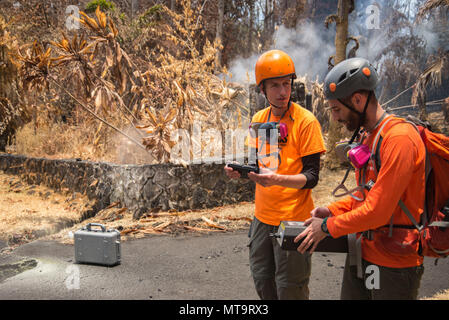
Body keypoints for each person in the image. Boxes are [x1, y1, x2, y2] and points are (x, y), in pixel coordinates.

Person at [295, 57, 426, 300]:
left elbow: (378, 211)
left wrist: (326, 227)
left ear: (357, 99)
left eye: (336, 109)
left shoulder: (399, 139)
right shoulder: (370, 136)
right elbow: (366, 195)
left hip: (394, 265)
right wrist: (332, 211)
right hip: (363, 252)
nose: (334, 118)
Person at [224, 49, 326, 300]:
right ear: (262, 90)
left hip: (293, 220)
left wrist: (276, 179)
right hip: (262, 218)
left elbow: (311, 177)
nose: (283, 91)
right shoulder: (259, 120)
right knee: (262, 280)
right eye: (275, 86)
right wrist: (241, 171)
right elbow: (255, 164)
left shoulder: (306, 121)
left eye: (286, 84)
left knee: (290, 288)